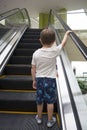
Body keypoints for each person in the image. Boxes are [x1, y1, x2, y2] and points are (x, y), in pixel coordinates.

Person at [31, 28, 72, 127]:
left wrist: (34, 80)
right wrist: (66, 34)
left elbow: (33, 68)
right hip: (50, 80)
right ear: (54, 41)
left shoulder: (36, 53)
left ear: (40, 40)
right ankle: (50, 121)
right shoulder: (55, 51)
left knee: (39, 100)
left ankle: (39, 118)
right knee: (50, 102)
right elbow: (63, 43)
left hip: (40, 80)